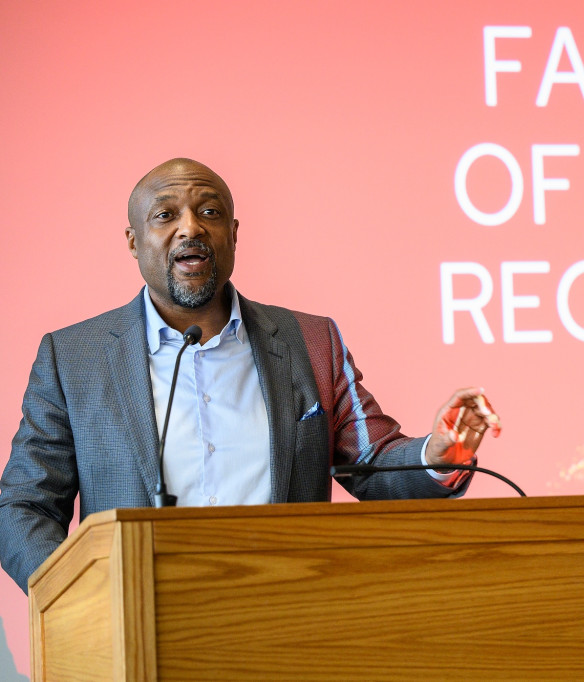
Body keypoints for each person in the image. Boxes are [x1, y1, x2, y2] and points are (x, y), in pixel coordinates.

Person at [0, 158, 500, 594]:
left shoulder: (310, 340)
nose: (191, 228)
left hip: (282, 625)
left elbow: (371, 462)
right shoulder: (74, 359)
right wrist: (81, 593)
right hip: (135, 632)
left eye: (210, 212)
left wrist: (438, 455)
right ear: (133, 242)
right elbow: (23, 507)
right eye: (165, 215)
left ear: (234, 234)